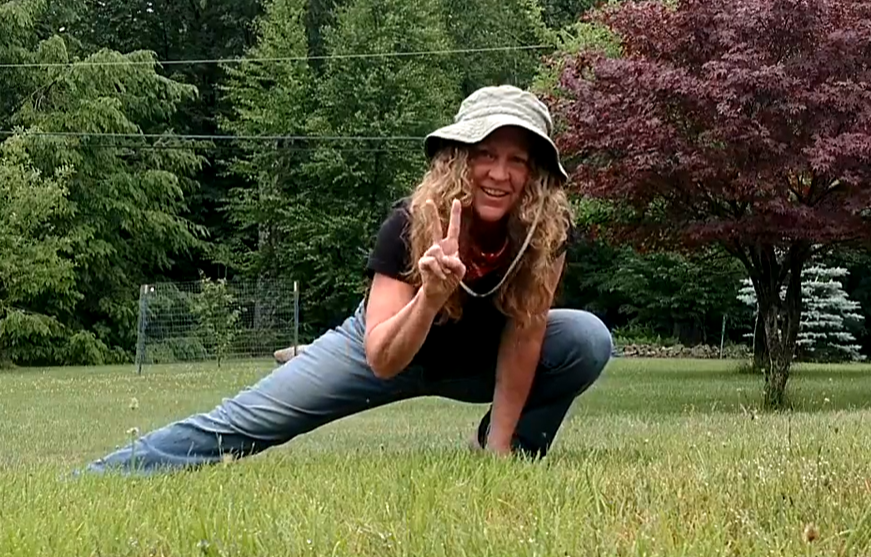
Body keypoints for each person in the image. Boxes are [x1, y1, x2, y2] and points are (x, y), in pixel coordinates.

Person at [81, 85, 613, 474]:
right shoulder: (409, 222)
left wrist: (495, 457)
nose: (500, 174)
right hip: (383, 349)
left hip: (476, 360)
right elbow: (382, 359)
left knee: (586, 339)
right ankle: (106, 475)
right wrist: (430, 297)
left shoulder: (544, 237)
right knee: (246, 421)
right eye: (486, 156)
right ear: (458, 160)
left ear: (536, 173)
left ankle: (509, 451)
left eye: (517, 160)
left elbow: (524, 339)